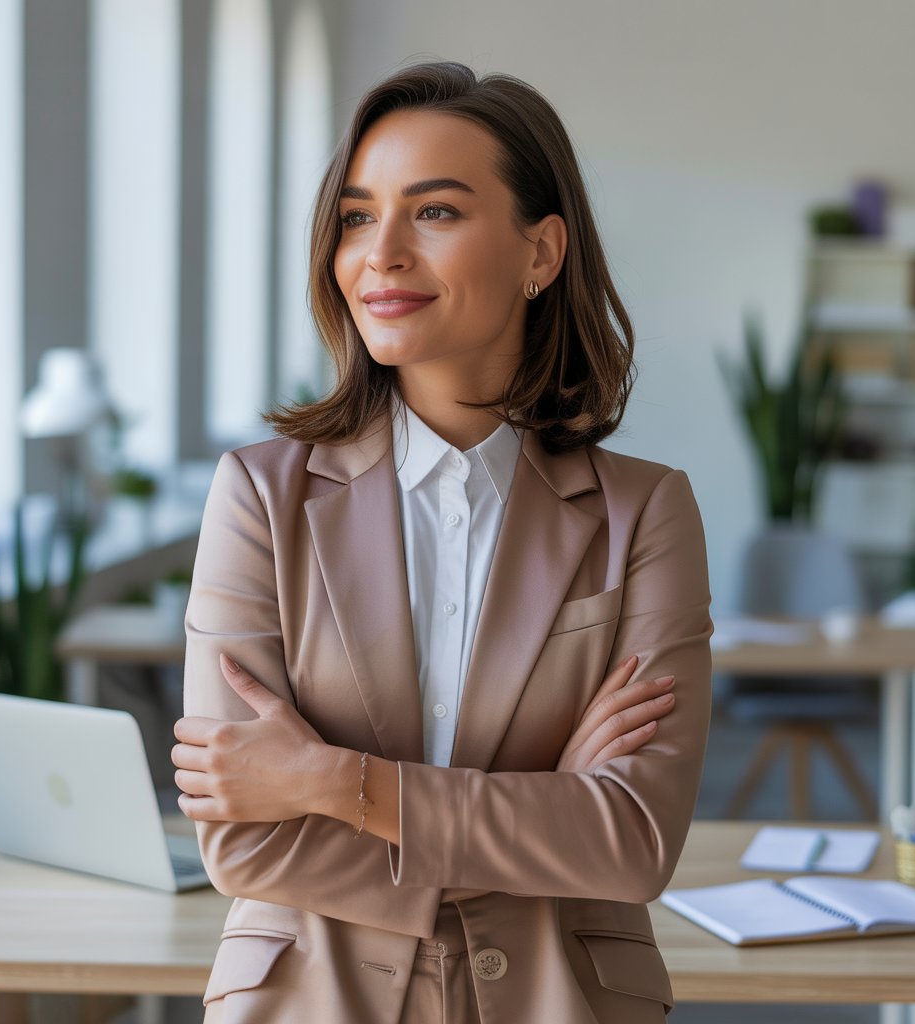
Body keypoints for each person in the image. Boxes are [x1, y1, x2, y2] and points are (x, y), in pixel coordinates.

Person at [173, 60, 712, 1024]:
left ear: (540, 252)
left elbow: (630, 841)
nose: (378, 253)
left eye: (434, 213)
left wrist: (334, 783)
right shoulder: (260, 495)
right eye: (354, 216)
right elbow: (244, 843)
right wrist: (544, 814)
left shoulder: (645, 513)